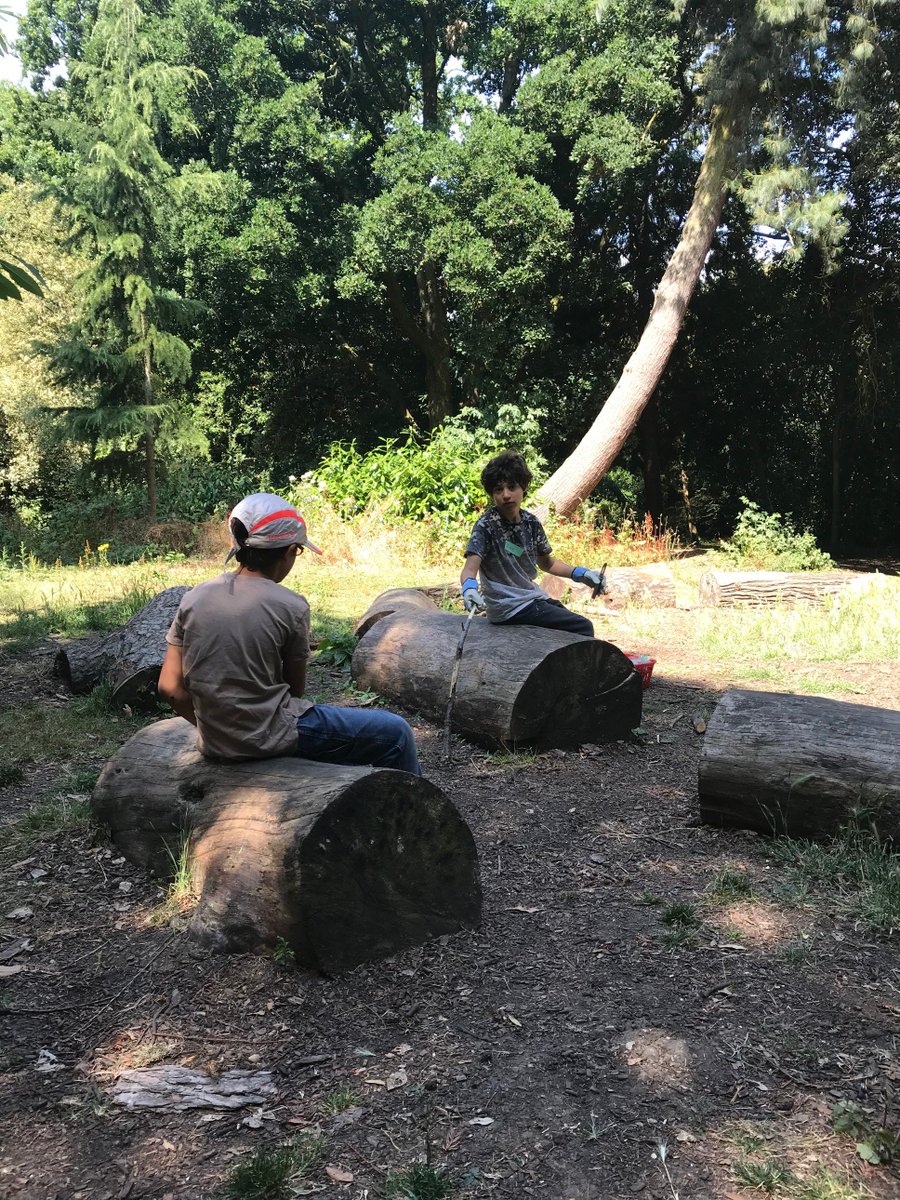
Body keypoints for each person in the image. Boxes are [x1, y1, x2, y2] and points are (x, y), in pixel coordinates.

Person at [158, 492, 421, 775]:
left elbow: (169, 688)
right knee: (396, 733)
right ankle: (411, 813)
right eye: (298, 551)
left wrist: (215, 731)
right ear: (288, 552)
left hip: (215, 741)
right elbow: (295, 690)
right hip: (272, 735)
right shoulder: (291, 606)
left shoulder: (194, 598)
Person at [460, 450, 606, 637]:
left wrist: (581, 574)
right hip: (508, 607)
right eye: (498, 490)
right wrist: (469, 588)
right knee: (582, 627)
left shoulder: (531, 523)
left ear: (523, 489)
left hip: (529, 600)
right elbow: (469, 569)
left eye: (512, 487)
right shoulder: (486, 525)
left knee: (563, 614)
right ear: (492, 494)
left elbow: (547, 563)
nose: (506, 495)